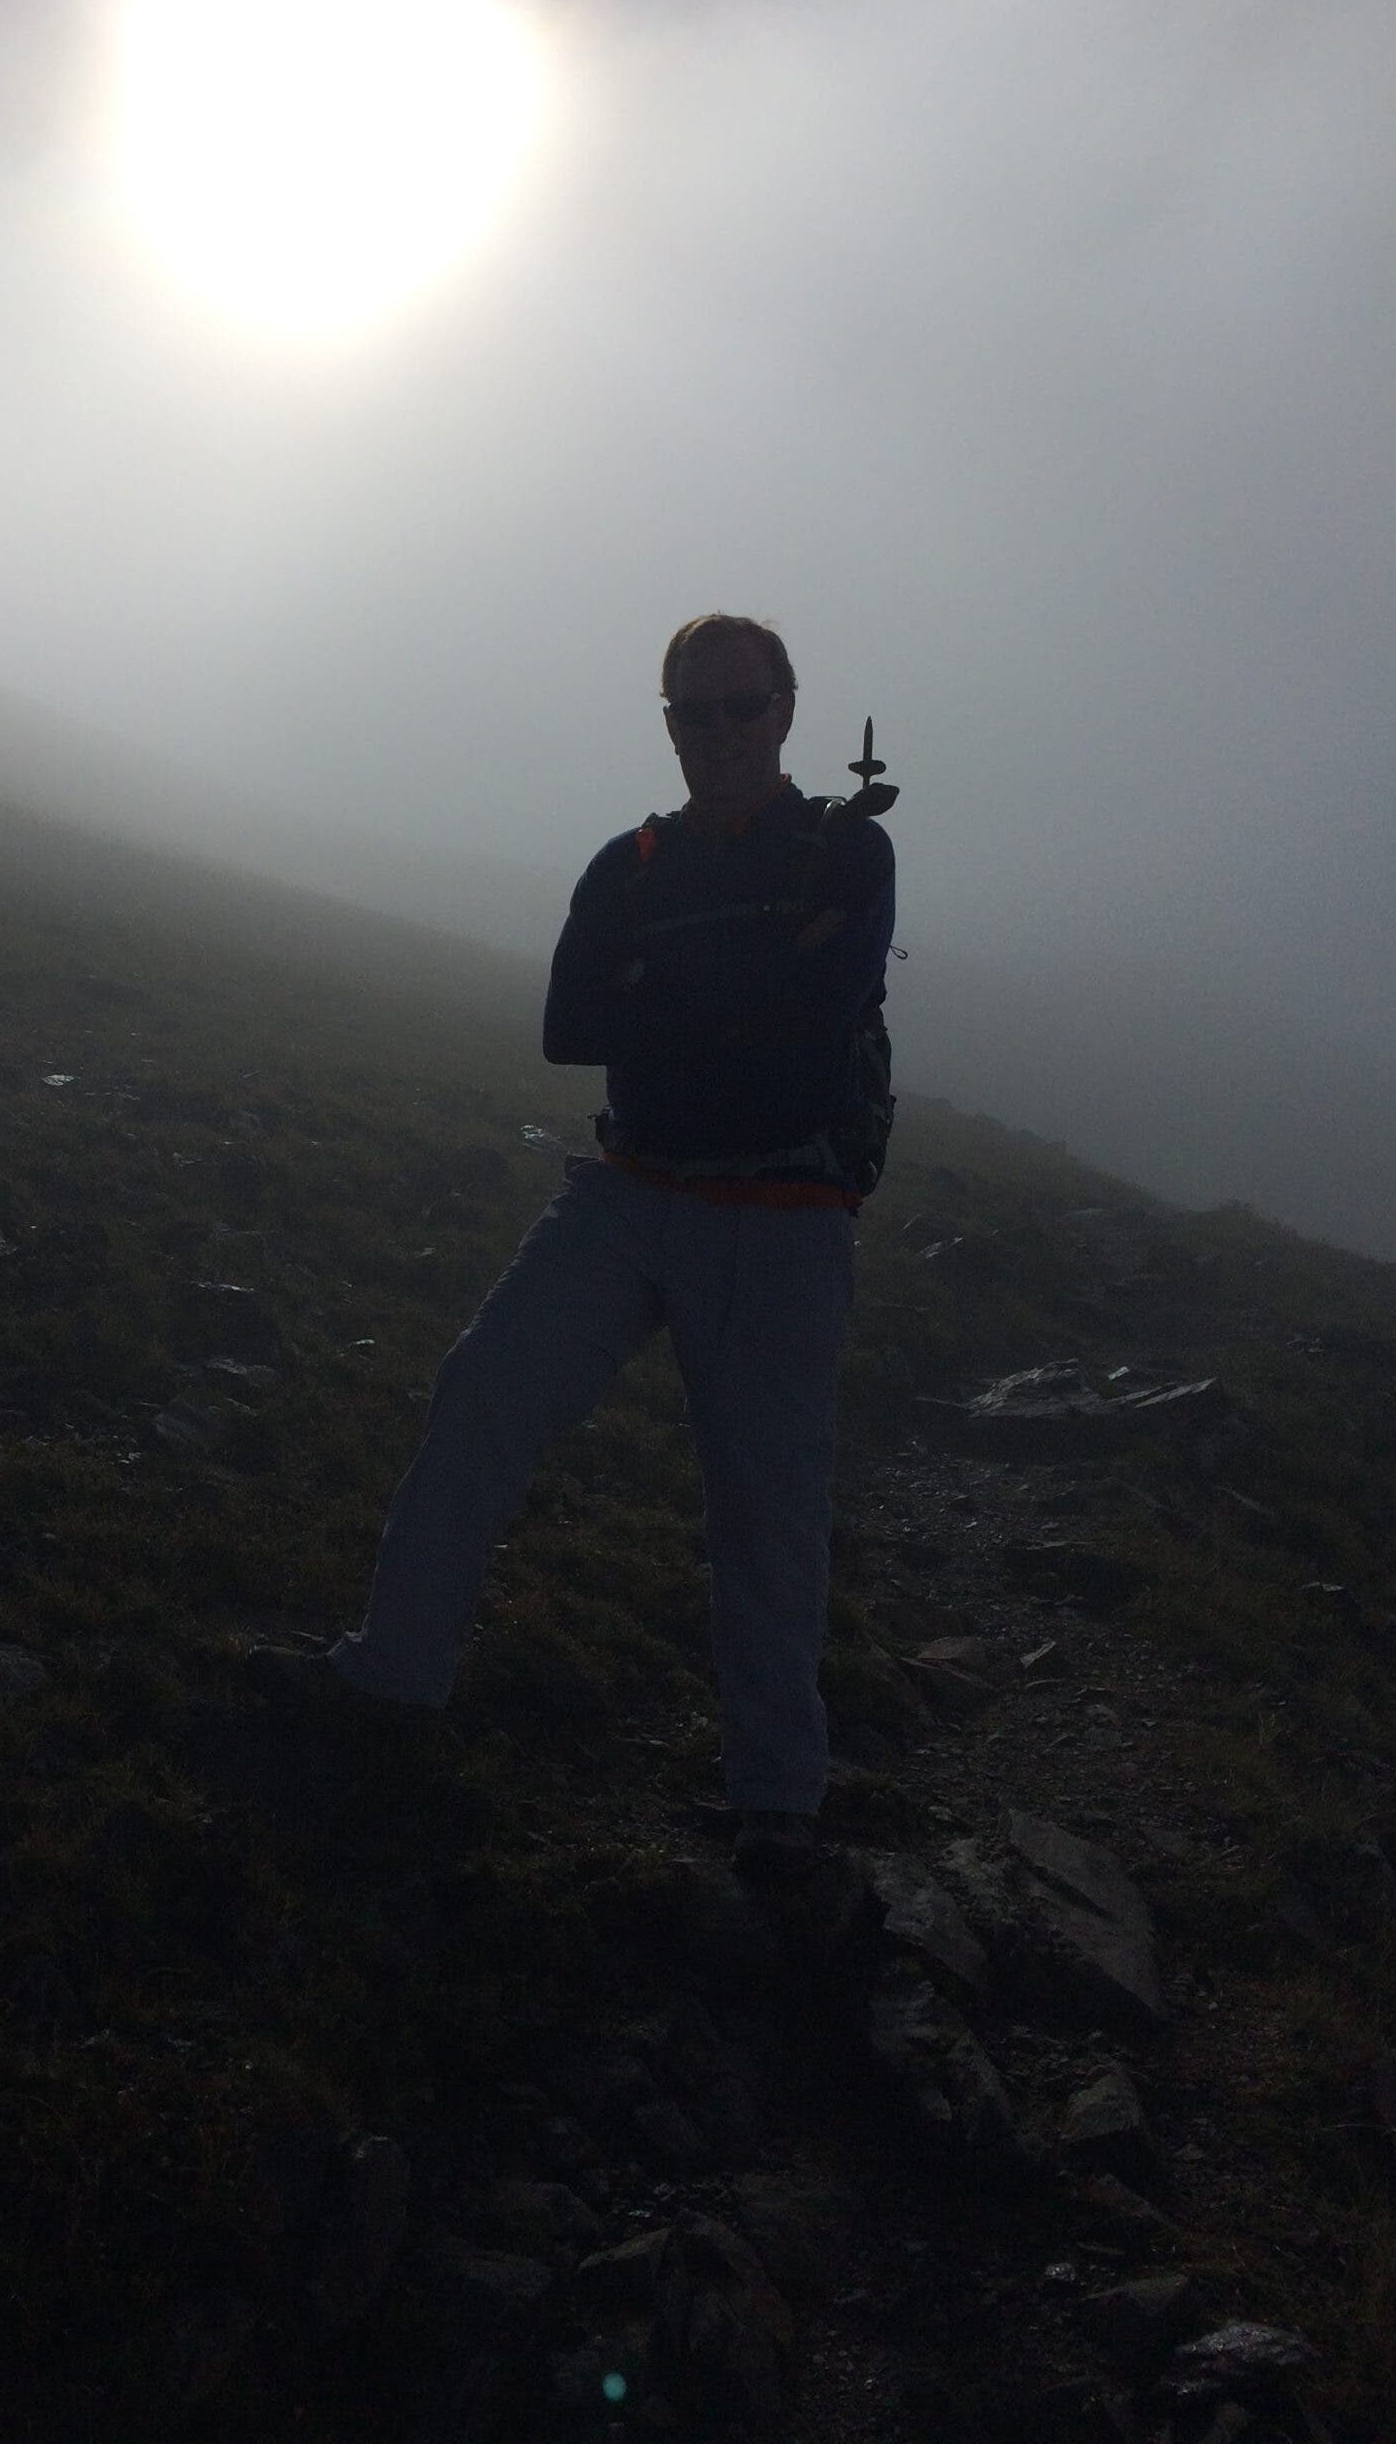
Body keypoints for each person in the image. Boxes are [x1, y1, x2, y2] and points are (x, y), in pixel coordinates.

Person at [247, 614, 896, 1885]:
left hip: (780, 1216)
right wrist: (749, 986)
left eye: (740, 707)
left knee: (767, 1514)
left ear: (787, 709)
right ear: (667, 724)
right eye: (692, 713)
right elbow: (567, 1027)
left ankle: (778, 1802)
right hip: (631, 1189)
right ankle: (391, 1680)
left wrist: (661, 996)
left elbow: (815, 1032)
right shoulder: (634, 862)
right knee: (480, 1398)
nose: (718, 733)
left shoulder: (846, 853)